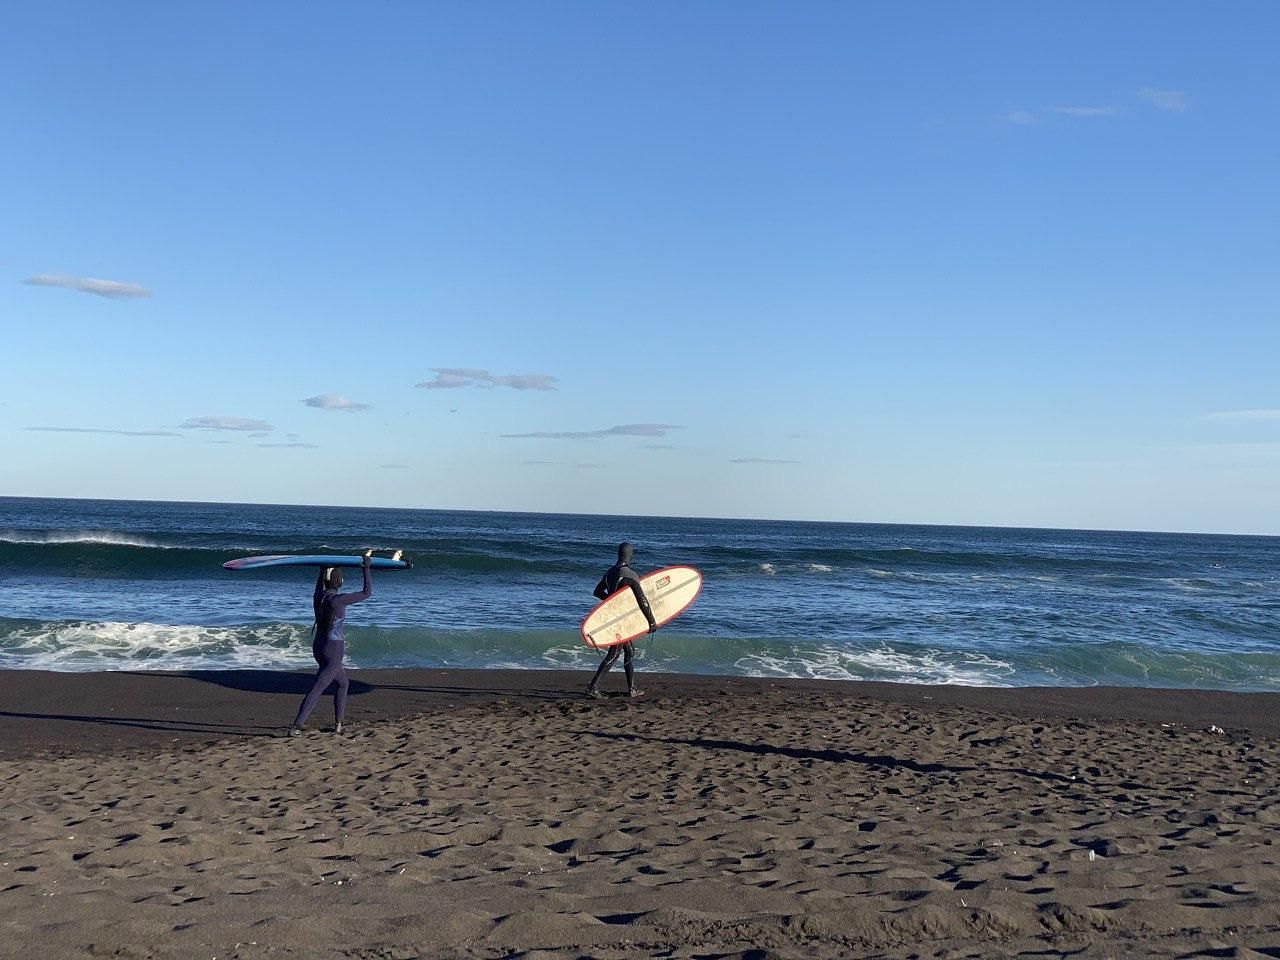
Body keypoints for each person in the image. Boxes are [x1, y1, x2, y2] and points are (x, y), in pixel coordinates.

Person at [288, 551, 373, 736]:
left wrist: (322, 568)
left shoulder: (318, 597)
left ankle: (338, 725)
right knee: (318, 687)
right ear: (340, 582)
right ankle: (296, 727)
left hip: (318, 647)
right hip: (334, 650)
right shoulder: (339, 600)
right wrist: (366, 568)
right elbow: (367, 593)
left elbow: (320, 585)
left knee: (343, 683)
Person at [585, 542, 657, 699]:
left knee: (629, 650)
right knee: (614, 652)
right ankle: (592, 687)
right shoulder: (629, 574)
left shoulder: (610, 572)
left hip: (613, 616)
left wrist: (611, 601)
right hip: (621, 619)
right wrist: (651, 621)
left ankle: (632, 689)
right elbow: (642, 600)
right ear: (630, 555)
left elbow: (597, 592)